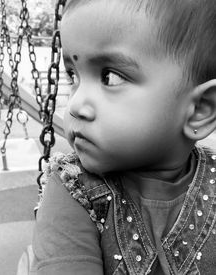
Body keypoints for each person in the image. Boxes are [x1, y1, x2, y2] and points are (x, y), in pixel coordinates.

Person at [30, 0, 216, 274]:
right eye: (74, 76)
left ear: (199, 110)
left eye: (110, 77)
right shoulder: (73, 190)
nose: (75, 105)